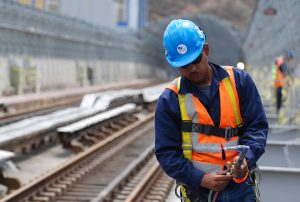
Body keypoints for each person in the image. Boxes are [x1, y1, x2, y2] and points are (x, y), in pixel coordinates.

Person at [155, 19, 268, 201]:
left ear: (206, 50)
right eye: (185, 65)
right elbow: (167, 153)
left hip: (241, 188)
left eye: (196, 60)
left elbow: (256, 127)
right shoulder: (171, 99)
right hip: (199, 192)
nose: (193, 69)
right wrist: (201, 179)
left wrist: (246, 160)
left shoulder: (239, 82)